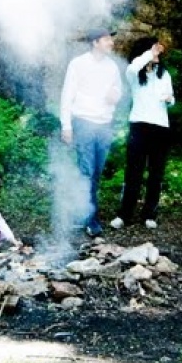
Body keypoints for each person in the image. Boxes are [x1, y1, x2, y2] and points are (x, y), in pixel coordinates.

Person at [59, 27, 122, 237]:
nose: (111, 43)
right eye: (107, 40)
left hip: (104, 125)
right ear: (95, 42)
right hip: (84, 122)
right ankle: (91, 219)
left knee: (96, 172)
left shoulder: (112, 67)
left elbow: (117, 90)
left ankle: (84, 211)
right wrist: (66, 125)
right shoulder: (78, 64)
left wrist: (115, 96)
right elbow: (67, 95)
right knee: (87, 171)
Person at [111, 37, 175, 231]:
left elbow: (172, 99)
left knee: (156, 173)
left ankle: (149, 214)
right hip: (139, 125)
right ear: (145, 51)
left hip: (161, 127)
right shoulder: (135, 75)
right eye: (154, 48)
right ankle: (124, 214)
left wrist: (170, 99)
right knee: (134, 172)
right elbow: (132, 67)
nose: (158, 52)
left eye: (158, 49)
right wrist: (150, 53)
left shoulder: (164, 75)